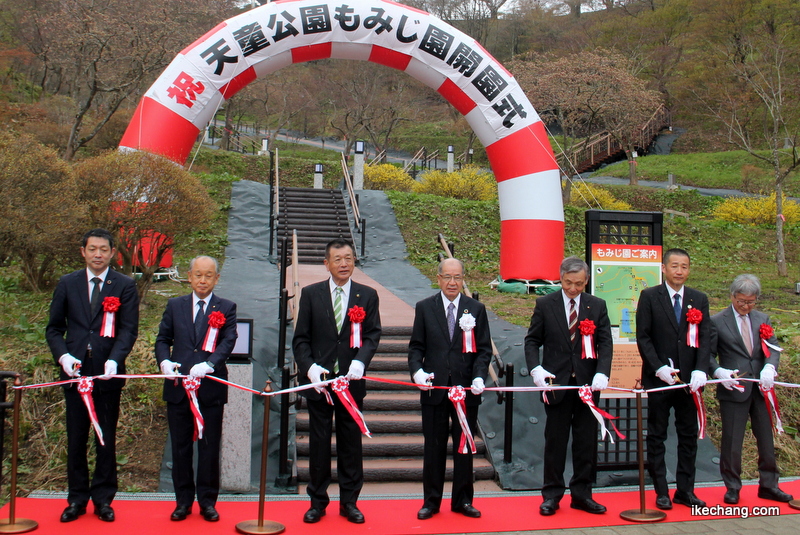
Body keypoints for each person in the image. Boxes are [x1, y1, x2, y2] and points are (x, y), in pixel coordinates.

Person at [46, 228, 139, 523]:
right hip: (74, 372)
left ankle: (103, 499)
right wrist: (63, 356)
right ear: (83, 251)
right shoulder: (67, 283)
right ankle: (76, 498)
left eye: (103, 249)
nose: (97, 254)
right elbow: (53, 328)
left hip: (107, 374)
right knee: (76, 437)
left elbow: (128, 329)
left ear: (113, 252)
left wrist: (115, 359)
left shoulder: (124, 285)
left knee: (105, 437)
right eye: (92, 249)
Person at [293, 239, 381, 524]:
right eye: (338, 259)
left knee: (350, 445)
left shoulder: (367, 295)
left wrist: (360, 361)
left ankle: (350, 502)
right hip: (321, 385)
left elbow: (372, 335)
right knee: (318, 445)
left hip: (351, 384)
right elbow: (301, 340)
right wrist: (309, 369)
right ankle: (317, 502)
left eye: (349, 258)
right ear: (326, 263)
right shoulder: (310, 294)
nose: (344, 264)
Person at [524, 256, 613, 516]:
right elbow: (532, 341)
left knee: (586, 442)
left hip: (587, 385)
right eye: (567, 283)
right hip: (557, 383)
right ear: (560, 278)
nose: (573, 289)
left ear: (586, 281)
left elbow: (605, 343)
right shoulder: (545, 304)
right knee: (556, 441)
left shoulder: (597, 306)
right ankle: (551, 494)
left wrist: (602, 373)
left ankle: (582, 494)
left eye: (578, 284)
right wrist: (536, 369)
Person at [408, 258, 492, 521]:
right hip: (434, 391)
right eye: (447, 277)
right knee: (433, 448)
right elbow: (415, 347)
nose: (452, 282)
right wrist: (417, 372)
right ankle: (431, 502)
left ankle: (463, 500)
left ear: (463, 278)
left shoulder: (475, 309)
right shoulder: (425, 308)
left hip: (466, 392)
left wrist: (479, 378)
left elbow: (484, 350)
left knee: (464, 447)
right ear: (439, 277)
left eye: (457, 277)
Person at [155, 255, 237, 522]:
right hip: (179, 388)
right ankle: (182, 501)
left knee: (209, 447)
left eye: (209, 275)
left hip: (210, 388)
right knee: (180, 447)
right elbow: (163, 338)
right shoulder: (175, 305)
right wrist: (164, 361)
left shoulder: (226, 307)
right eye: (198, 274)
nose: (203, 280)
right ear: (189, 276)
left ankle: (207, 501)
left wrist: (211, 364)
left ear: (216, 278)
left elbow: (228, 341)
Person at [709, 274, 793, 505]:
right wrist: (718, 372)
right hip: (734, 386)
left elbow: (772, 347)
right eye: (742, 301)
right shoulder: (717, 321)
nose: (746, 306)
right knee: (732, 440)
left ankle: (769, 485)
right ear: (732, 296)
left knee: (766, 438)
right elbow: (707, 355)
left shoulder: (761, 318)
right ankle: (733, 487)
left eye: (751, 302)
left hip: (761, 388)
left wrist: (770, 368)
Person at [636, 248, 710, 510]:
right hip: (659, 379)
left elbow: (704, 338)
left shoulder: (698, 299)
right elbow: (643, 336)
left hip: (690, 381)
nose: (680, 271)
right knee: (657, 434)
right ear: (664, 268)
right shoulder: (649, 296)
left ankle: (685, 489)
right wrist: (657, 368)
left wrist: (701, 369)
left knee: (688, 434)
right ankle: (660, 490)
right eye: (675, 266)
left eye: (685, 266)